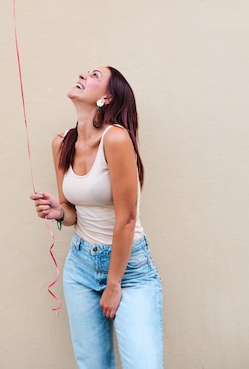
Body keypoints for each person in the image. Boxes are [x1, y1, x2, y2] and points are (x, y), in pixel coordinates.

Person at [30, 66, 163, 369]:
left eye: (93, 75)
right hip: (80, 267)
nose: (82, 75)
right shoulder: (61, 143)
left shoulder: (116, 139)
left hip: (130, 271)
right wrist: (57, 212)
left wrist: (113, 284)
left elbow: (127, 218)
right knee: (94, 365)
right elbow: (71, 211)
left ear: (107, 97)